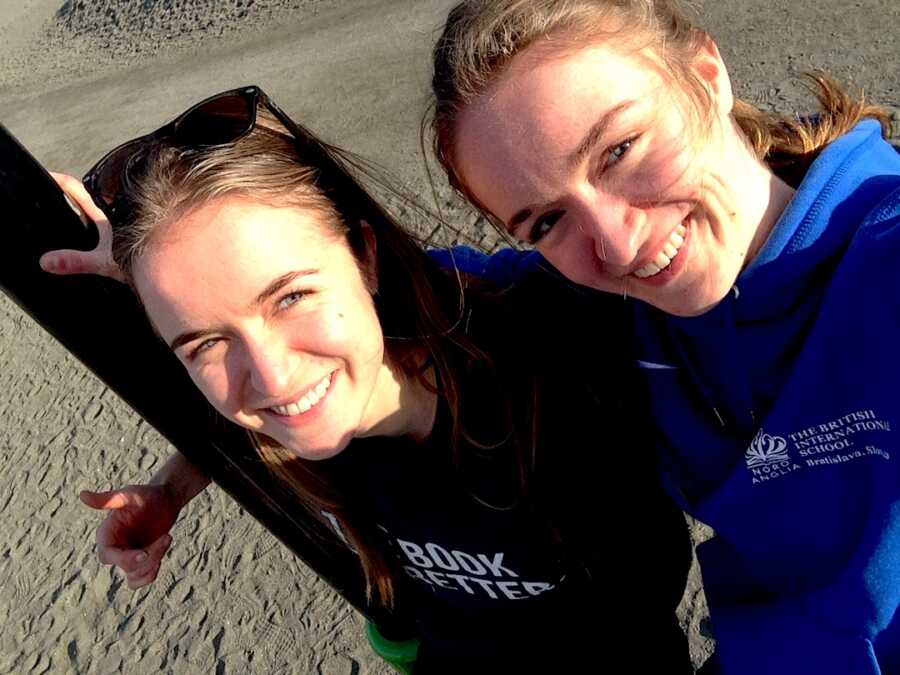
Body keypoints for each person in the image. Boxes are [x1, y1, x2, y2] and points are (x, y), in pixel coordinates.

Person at [42, 86, 693, 672]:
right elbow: (239, 406)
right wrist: (169, 488)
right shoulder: (295, 413)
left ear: (364, 255)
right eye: (205, 340)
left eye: (291, 297)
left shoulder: (554, 332)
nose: (272, 376)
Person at [428, 1, 900, 673]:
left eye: (618, 151)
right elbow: (425, 286)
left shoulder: (885, 256)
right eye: (544, 222)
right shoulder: (617, 311)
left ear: (706, 75)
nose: (617, 244)